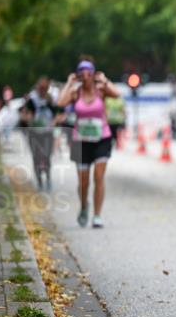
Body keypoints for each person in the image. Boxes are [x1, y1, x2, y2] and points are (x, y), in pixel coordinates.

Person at [57, 58, 121, 228]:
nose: (86, 77)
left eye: (89, 73)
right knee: (83, 182)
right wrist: (69, 83)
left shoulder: (101, 90)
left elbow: (117, 94)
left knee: (98, 177)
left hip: (102, 138)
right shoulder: (75, 92)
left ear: (93, 75)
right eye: (82, 74)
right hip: (81, 141)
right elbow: (60, 102)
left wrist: (105, 80)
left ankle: (97, 215)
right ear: (78, 76)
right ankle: (84, 206)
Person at [24, 76, 56, 190]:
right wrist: (29, 118)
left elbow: (56, 113)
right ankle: (39, 181)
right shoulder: (32, 99)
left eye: (44, 88)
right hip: (34, 132)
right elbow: (26, 114)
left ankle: (48, 178)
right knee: (36, 157)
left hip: (47, 132)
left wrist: (54, 122)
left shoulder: (50, 99)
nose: (42, 90)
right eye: (41, 88)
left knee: (47, 156)